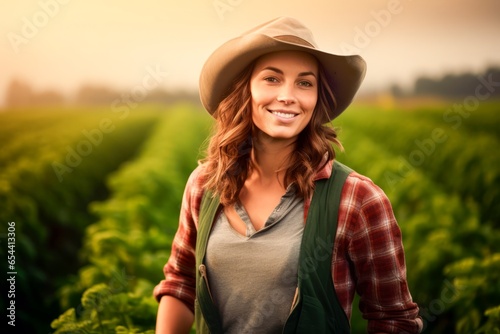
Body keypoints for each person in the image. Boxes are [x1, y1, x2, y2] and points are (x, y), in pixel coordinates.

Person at [154, 16, 423, 333]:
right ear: (246, 90)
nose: (288, 95)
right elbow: (181, 284)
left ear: (316, 99)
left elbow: (394, 320)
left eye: (305, 83)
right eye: (272, 79)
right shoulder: (204, 184)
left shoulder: (359, 200)